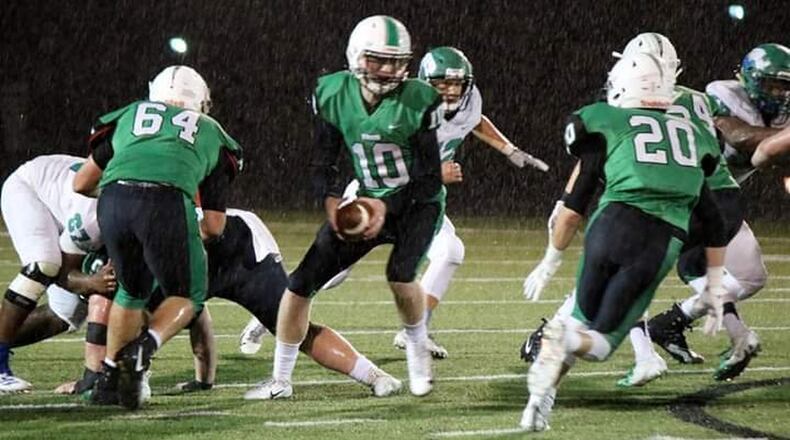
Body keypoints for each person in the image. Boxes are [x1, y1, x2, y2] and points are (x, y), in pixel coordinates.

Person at [238, 46, 548, 360]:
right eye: (442, 84)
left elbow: (474, 120)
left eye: (457, 84)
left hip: (416, 205)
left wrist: (509, 149)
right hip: (373, 198)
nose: (452, 91)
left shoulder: (468, 99)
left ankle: (415, 330)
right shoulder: (407, 106)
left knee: (451, 251)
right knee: (330, 274)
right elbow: (388, 162)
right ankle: (270, 313)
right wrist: (434, 172)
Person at [519, 52, 728, 431]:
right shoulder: (694, 135)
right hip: (657, 241)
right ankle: (562, 345)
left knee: (579, 318)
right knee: (599, 345)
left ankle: (538, 403)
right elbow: (714, 221)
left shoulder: (606, 121)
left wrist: (551, 259)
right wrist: (713, 286)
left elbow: (576, 203)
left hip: (609, 226)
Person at [244, 15, 443, 400]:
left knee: (400, 275)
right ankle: (280, 380)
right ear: (356, 56)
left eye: (395, 62)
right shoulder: (332, 93)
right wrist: (332, 200)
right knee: (299, 284)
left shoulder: (418, 100)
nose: (386, 70)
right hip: (365, 199)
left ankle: (418, 349)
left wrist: (386, 205)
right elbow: (324, 162)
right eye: (377, 59)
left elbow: (430, 178)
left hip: (416, 204)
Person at [72, 65, 242, 409]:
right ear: (202, 101)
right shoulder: (212, 131)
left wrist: (126, 194)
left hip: (113, 200)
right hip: (166, 202)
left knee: (130, 291)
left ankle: (109, 378)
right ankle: (142, 349)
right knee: (188, 295)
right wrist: (173, 230)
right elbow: (214, 226)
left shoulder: (130, 114)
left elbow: (81, 183)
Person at [0, 154, 107, 393]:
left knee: (65, 312)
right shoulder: (92, 218)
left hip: (67, 203)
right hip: (30, 188)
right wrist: (92, 282)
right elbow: (64, 272)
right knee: (44, 265)